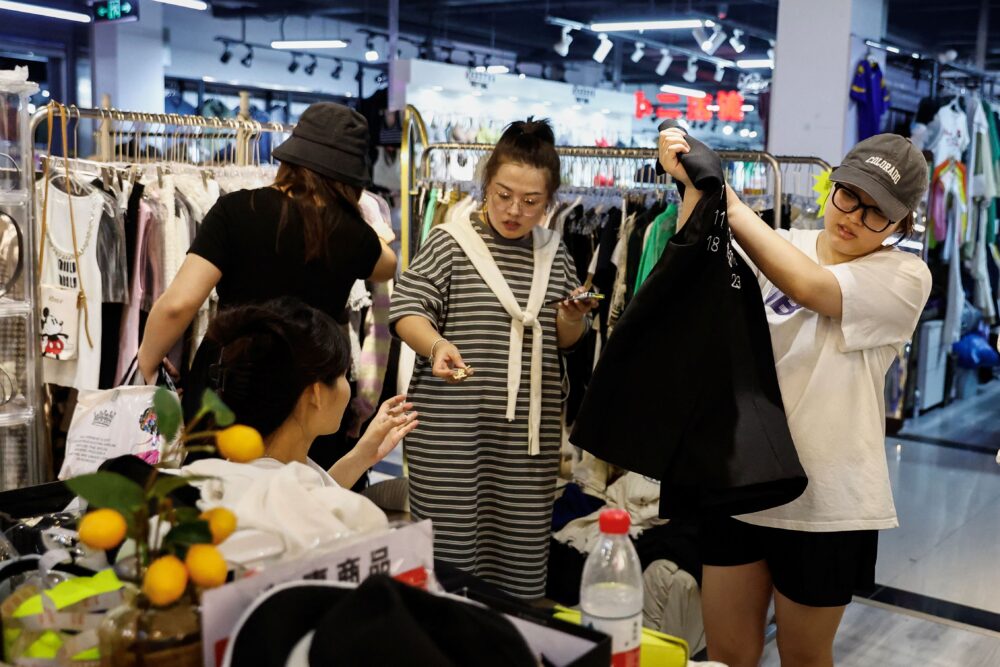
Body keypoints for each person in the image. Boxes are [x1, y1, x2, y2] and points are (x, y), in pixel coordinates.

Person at [658, 129, 932, 666]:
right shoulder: (782, 241)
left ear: (902, 224)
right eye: (848, 195)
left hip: (828, 503)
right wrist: (689, 176)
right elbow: (700, 262)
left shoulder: (904, 275)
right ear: (832, 186)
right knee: (728, 653)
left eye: (877, 212)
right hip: (742, 480)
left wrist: (732, 205)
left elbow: (813, 289)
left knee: (804, 656)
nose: (853, 216)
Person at [390, 119, 597, 600]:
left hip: (527, 442)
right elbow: (406, 309)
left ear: (550, 201)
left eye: (531, 202)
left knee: (520, 564)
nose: (514, 210)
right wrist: (437, 345)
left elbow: (567, 341)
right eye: (504, 195)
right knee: (450, 567)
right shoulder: (451, 241)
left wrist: (571, 316)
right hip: (451, 437)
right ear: (486, 185)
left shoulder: (554, 251)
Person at [137, 102, 397, 477]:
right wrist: (357, 216)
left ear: (291, 158)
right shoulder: (352, 236)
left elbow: (179, 304)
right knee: (304, 500)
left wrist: (147, 361)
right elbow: (388, 262)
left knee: (215, 496)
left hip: (229, 381)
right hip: (308, 391)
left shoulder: (237, 210)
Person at [199, 298, 417, 489]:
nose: (347, 386)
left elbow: (315, 503)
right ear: (316, 393)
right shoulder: (285, 494)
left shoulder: (255, 473)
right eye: (342, 374)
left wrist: (361, 456)